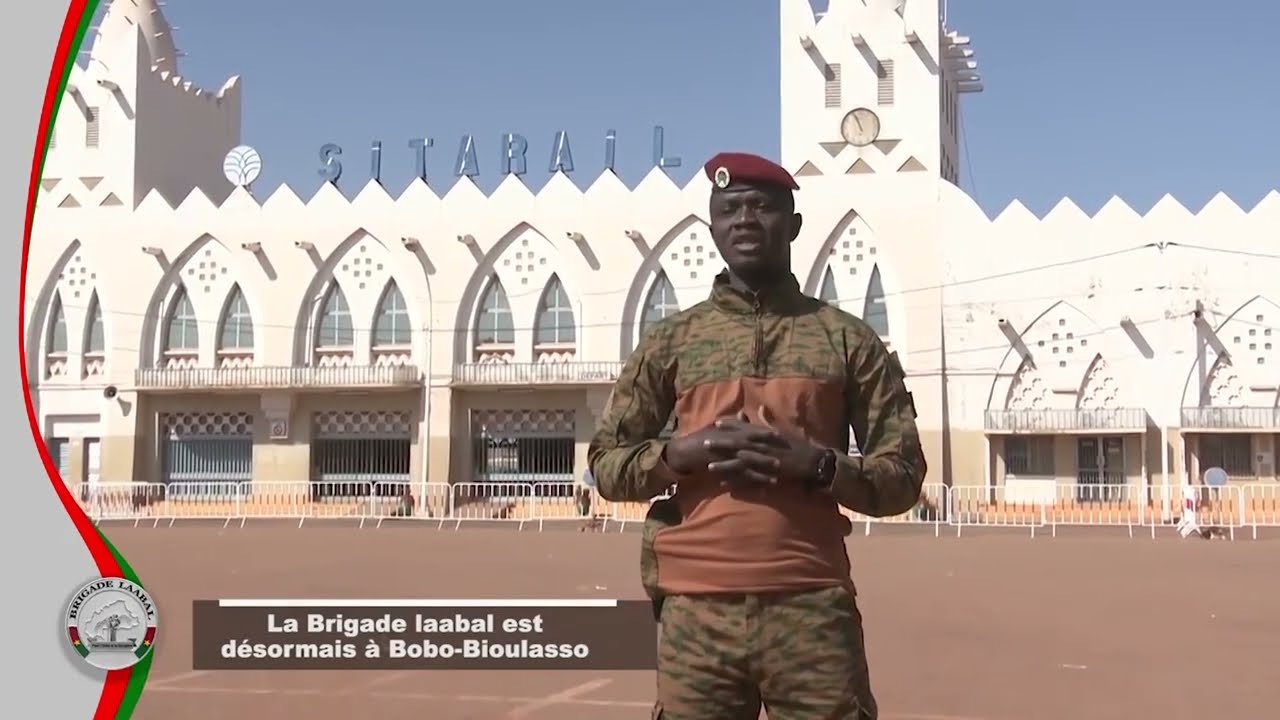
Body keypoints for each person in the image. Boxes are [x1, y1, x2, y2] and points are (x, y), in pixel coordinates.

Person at [588, 151, 928, 720]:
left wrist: (820, 466)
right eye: (729, 210)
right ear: (714, 226)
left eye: (762, 207)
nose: (745, 220)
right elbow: (606, 465)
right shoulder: (671, 342)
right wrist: (679, 454)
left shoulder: (846, 341)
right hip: (696, 612)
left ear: (792, 224)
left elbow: (903, 477)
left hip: (811, 607)